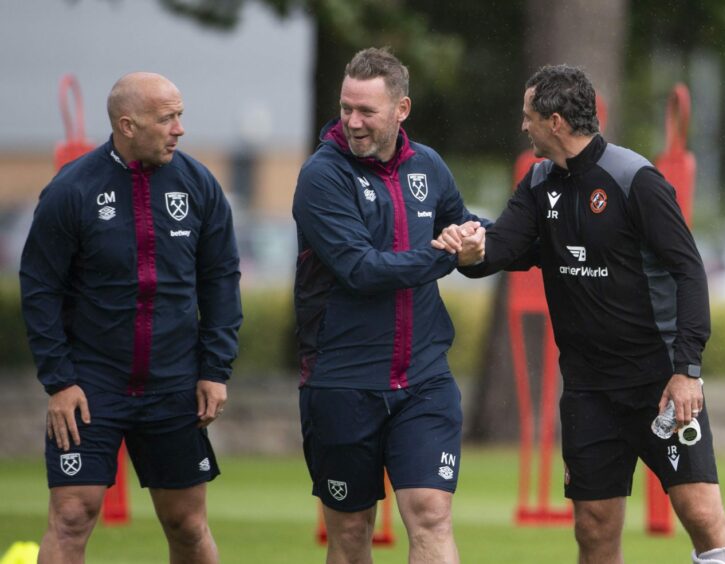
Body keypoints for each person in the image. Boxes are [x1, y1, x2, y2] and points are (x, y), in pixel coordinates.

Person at [435, 65, 725, 564]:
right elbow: (503, 248)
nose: (523, 126)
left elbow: (690, 273)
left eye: (528, 117)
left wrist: (687, 370)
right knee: (593, 527)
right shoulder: (538, 183)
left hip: (659, 383)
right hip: (588, 389)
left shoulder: (636, 180)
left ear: (556, 122)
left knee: (701, 513)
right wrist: (470, 250)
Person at [19, 72, 242, 564]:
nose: (180, 129)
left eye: (180, 115)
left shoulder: (199, 184)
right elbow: (39, 289)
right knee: (73, 514)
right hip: (91, 384)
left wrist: (214, 369)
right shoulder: (71, 190)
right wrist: (58, 381)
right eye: (167, 118)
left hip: (174, 384)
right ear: (127, 124)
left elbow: (221, 280)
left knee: (186, 521)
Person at [292, 47, 484, 564]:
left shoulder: (428, 165)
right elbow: (361, 269)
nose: (352, 121)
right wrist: (443, 256)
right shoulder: (321, 177)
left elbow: (462, 225)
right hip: (343, 382)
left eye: (366, 111)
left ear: (402, 110)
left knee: (430, 513)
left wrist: (475, 239)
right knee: (352, 534)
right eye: (345, 108)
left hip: (424, 380)